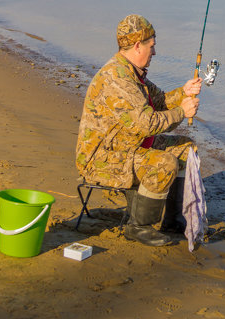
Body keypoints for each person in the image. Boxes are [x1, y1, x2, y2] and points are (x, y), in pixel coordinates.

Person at [76, 14, 202, 246]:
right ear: (137, 46)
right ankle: (139, 227)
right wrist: (182, 112)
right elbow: (146, 124)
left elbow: (161, 102)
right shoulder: (117, 78)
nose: (154, 52)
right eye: (151, 47)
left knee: (186, 148)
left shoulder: (133, 73)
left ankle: (174, 221)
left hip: (128, 146)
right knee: (164, 163)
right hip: (103, 157)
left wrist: (185, 92)